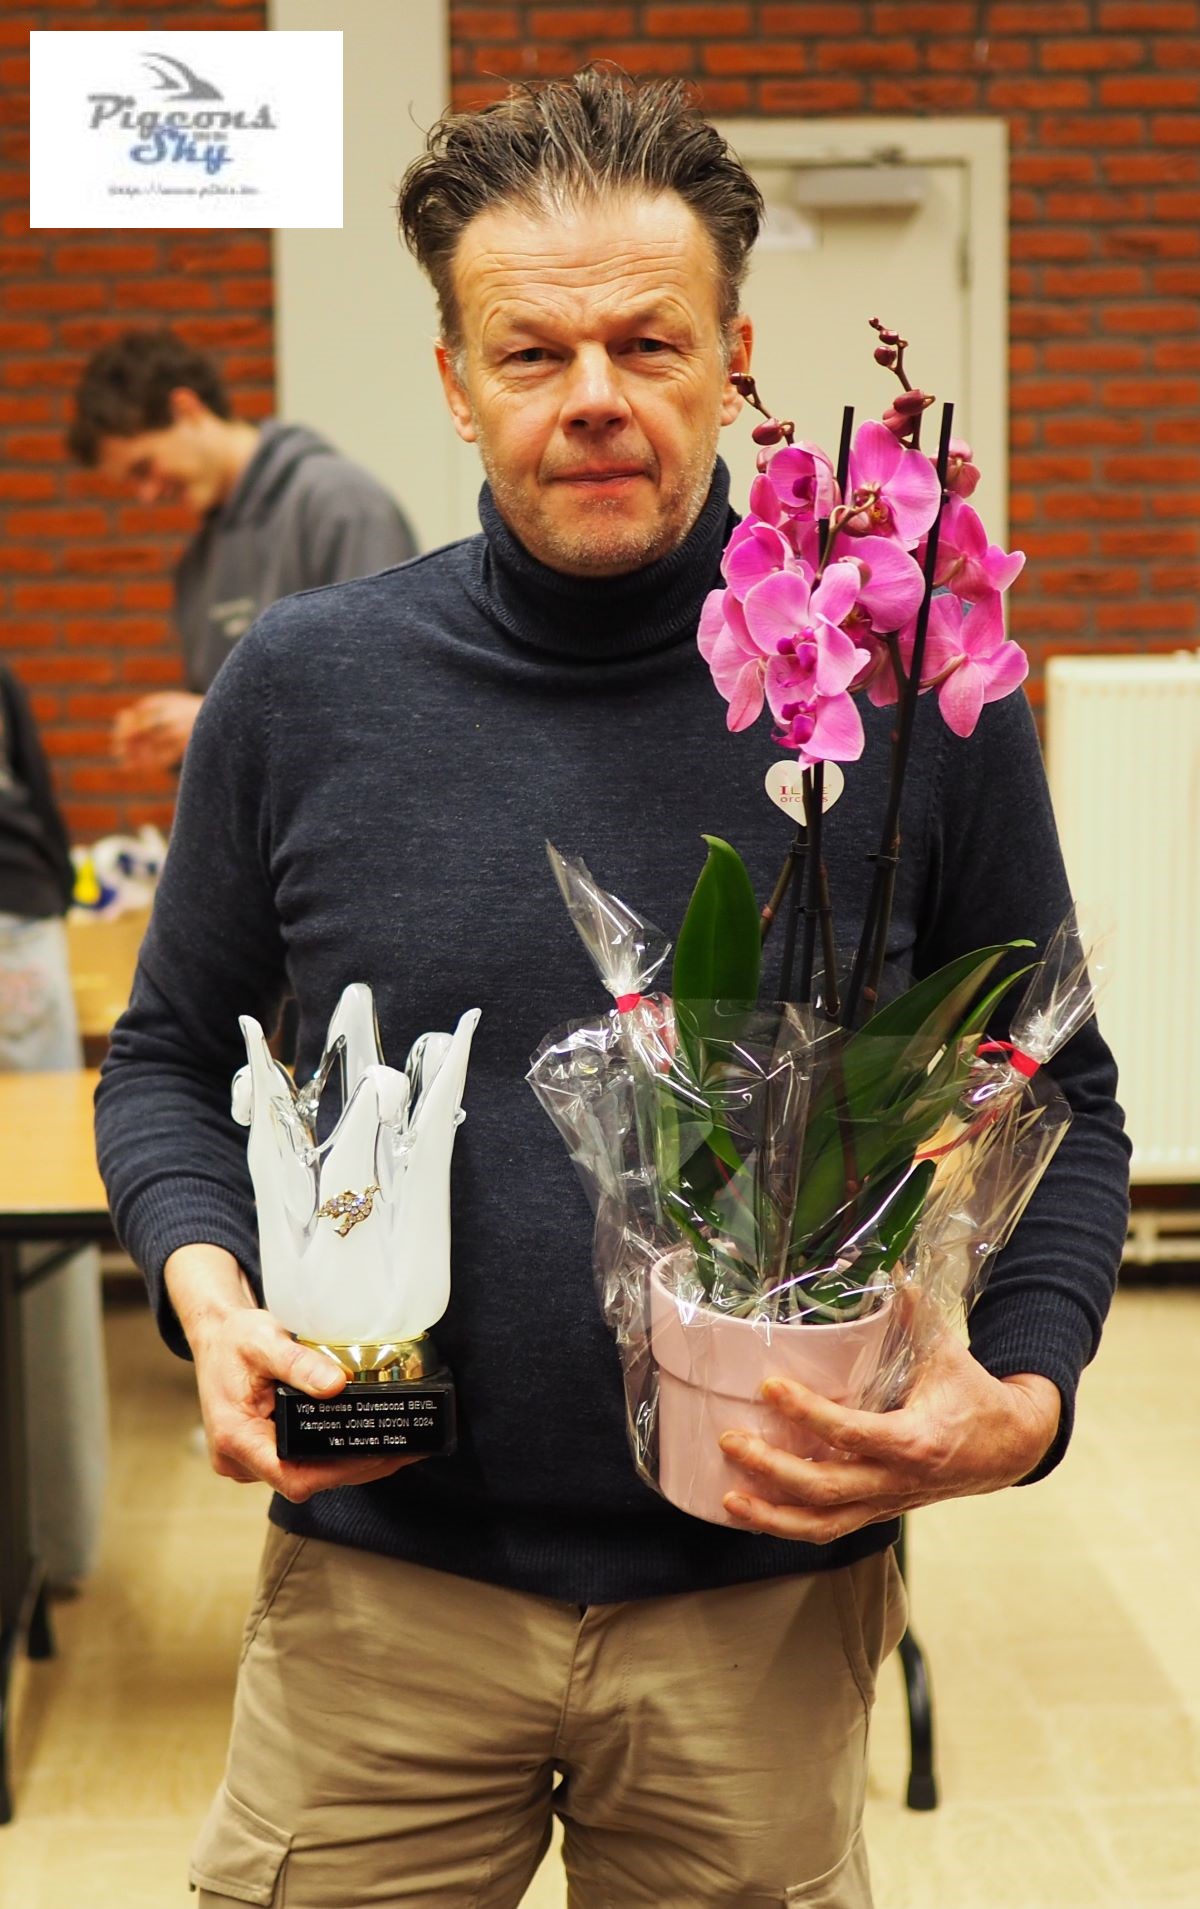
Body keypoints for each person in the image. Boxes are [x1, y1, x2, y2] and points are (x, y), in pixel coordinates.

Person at [95, 71, 1130, 1908]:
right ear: (454, 379)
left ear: (734, 362)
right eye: (531, 349)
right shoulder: (310, 688)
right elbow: (170, 1056)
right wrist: (208, 1290)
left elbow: (1065, 1093)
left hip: (763, 1603)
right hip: (381, 1581)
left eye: (649, 342)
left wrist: (1026, 1397)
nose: (592, 395)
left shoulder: (901, 692)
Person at [67, 328, 418, 773]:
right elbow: (241, 747)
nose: (148, 495)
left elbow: (386, 694)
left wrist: (213, 720)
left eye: (144, 467)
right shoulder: (197, 564)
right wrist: (179, 748)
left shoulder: (340, 505)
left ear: (186, 409)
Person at [1, 663, 107, 1588]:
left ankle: (47, 1549)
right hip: (20, 928)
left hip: (12, 934)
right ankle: (50, 1545)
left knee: (34, 1234)